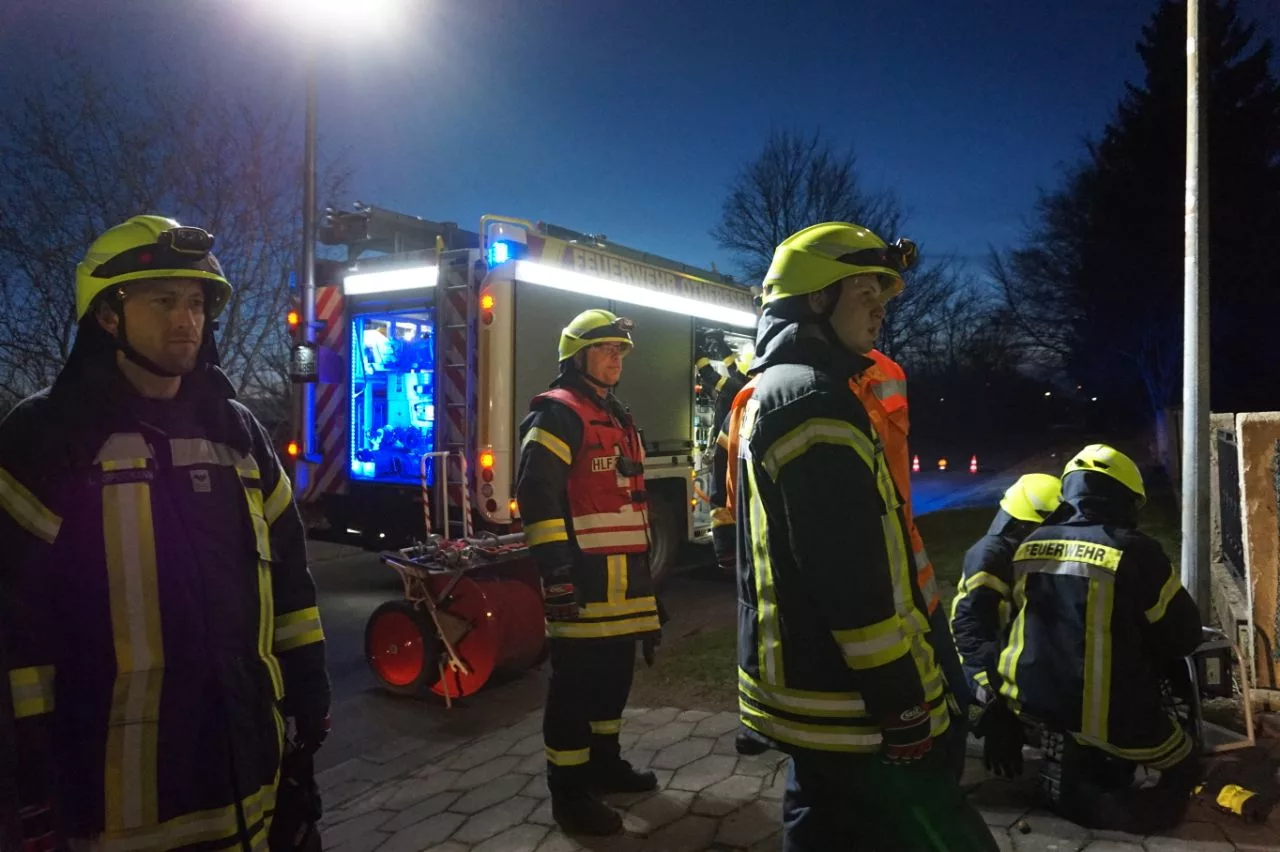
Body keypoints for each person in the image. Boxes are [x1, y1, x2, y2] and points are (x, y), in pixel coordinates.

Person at [0, 216, 331, 850]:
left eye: (197, 302)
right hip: (116, 801)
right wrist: (29, 773)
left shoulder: (238, 432)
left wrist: (308, 692)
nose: (187, 320)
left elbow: (290, 578)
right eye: (163, 301)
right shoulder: (47, 437)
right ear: (106, 315)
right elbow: (13, 622)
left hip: (248, 773)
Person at [731, 222, 999, 851]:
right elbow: (848, 579)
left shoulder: (796, 388)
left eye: (885, 293)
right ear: (816, 299)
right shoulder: (811, 401)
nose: (882, 307)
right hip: (850, 700)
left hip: (821, 688)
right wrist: (901, 703)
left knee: (824, 822)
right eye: (865, 291)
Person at [996, 444, 1203, 833]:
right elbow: (1183, 635)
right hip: (1107, 714)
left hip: (1030, 699)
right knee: (1186, 759)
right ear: (1125, 498)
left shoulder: (1031, 544)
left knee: (1087, 728)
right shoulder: (1134, 550)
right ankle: (1140, 815)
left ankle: (1076, 760)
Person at [515, 309, 663, 836]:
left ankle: (605, 765)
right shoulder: (559, 414)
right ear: (577, 356)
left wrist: (649, 590)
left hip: (623, 585)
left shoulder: (615, 415)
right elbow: (537, 494)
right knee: (575, 690)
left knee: (613, 680)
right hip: (581, 584)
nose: (615, 358)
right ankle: (570, 794)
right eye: (605, 349)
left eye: (620, 350)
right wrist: (557, 574)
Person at [950, 473, 1063, 777]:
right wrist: (1000, 706)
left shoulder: (1019, 550)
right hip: (975, 652)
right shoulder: (990, 556)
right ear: (1026, 524)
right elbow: (980, 631)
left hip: (1007, 644)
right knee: (1005, 700)